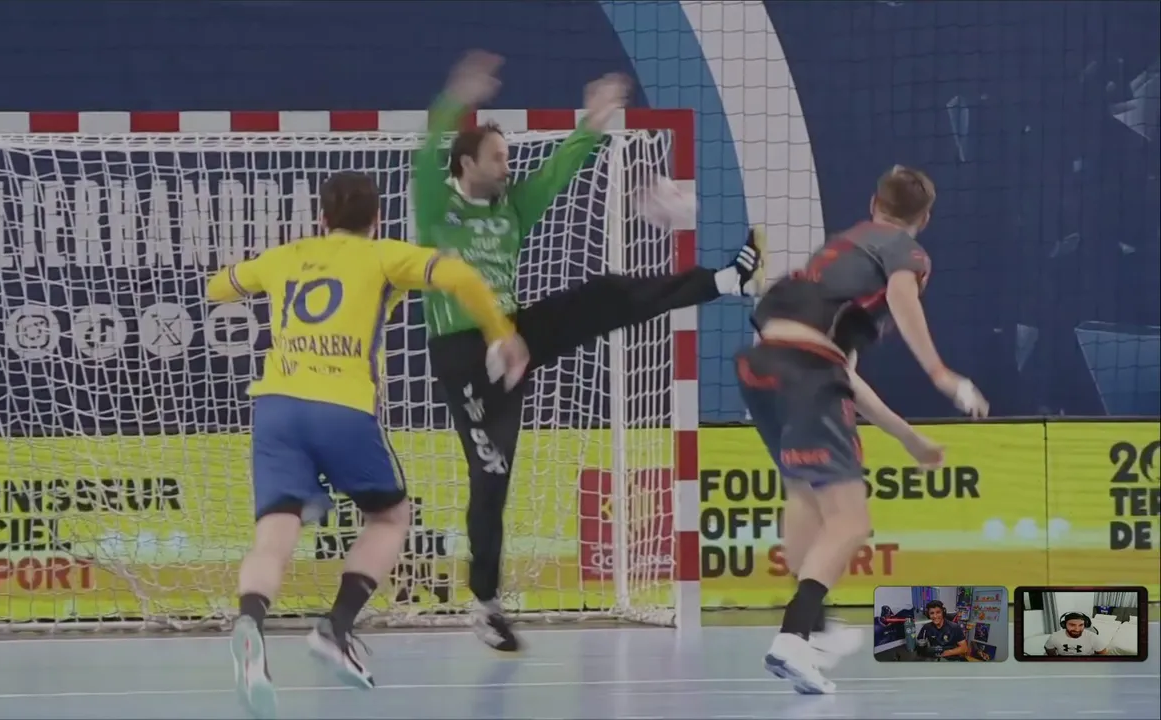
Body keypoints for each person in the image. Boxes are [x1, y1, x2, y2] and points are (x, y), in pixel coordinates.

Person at [416, 50, 764, 652]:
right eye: (497, 157)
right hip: (462, 354)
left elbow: (560, 168)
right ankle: (486, 603)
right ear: (467, 162)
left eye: (508, 156)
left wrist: (596, 117)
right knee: (491, 477)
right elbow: (427, 152)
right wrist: (458, 94)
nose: (508, 166)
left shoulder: (512, 206)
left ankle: (727, 280)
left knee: (603, 296)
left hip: (514, 335)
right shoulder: (435, 207)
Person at [209, 170, 528, 717]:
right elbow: (459, 275)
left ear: (322, 218)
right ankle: (335, 628)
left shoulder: (285, 256)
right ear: (376, 219)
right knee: (390, 516)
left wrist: (257, 274)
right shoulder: (384, 255)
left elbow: (219, 286)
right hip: (342, 406)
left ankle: (250, 622)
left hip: (276, 408)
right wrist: (502, 333)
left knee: (274, 532)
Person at [736, 165, 990, 694]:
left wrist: (907, 437)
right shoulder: (903, 252)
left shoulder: (839, 254)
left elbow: (841, 377)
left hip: (760, 366)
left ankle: (816, 629)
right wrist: (942, 375)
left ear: (874, 203)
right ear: (924, 218)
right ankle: (793, 637)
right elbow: (902, 298)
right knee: (850, 522)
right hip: (806, 370)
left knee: (803, 494)